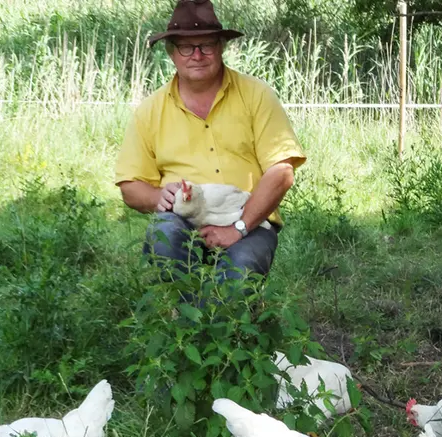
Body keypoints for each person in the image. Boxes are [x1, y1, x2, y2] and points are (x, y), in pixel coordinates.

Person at [114, 0, 305, 287]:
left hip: (247, 218)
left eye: (207, 45)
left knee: (239, 273)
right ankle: (188, 323)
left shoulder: (257, 95)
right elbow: (130, 186)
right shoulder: (150, 111)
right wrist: (157, 198)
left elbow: (282, 171)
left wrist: (238, 228)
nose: (197, 55)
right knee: (164, 235)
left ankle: (227, 322)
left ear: (221, 47)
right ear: (172, 54)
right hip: (181, 218)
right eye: (186, 47)